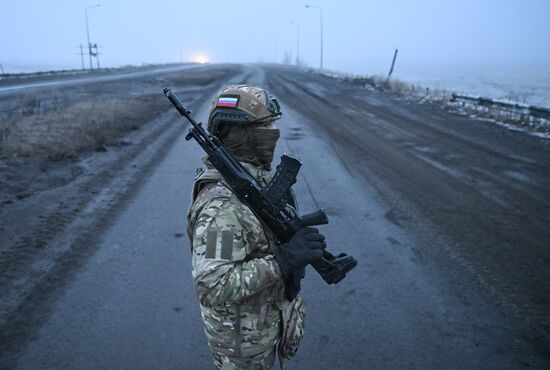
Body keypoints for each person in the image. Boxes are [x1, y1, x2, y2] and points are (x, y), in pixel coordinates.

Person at [186, 85, 326, 370]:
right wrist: (284, 260)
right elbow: (214, 284)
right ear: (242, 134)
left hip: (260, 326)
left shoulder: (252, 178)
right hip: (241, 347)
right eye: (266, 125)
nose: (274, 131)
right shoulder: (221, 208)